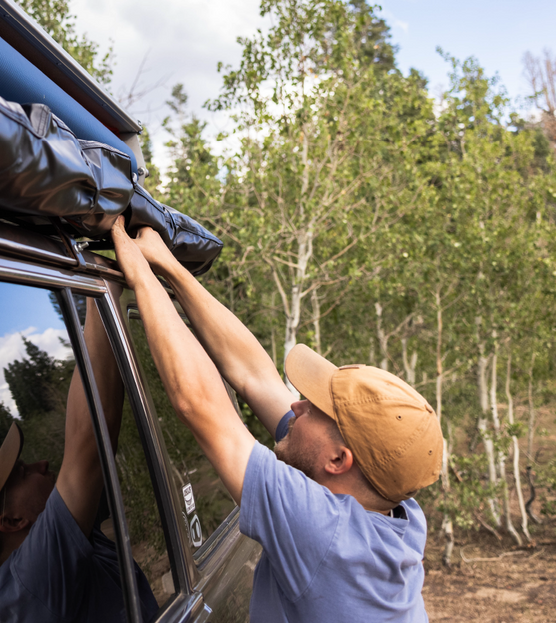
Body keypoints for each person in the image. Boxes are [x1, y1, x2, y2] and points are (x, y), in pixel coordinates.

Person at [111, 219, 443, 622]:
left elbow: (198, 405)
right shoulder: (397, 508)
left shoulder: (325, 532)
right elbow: (255, 377)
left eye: (314, 408)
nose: (296, 406)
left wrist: (140, 278)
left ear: (338, 461)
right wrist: (171, 269)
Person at [0, 302, 160, 623]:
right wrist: (100, 292)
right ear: (13, 521)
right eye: (22, 472)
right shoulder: (31, 580)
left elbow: (91, 451)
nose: (41, 464)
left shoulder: (72, 539)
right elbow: (89, 447)